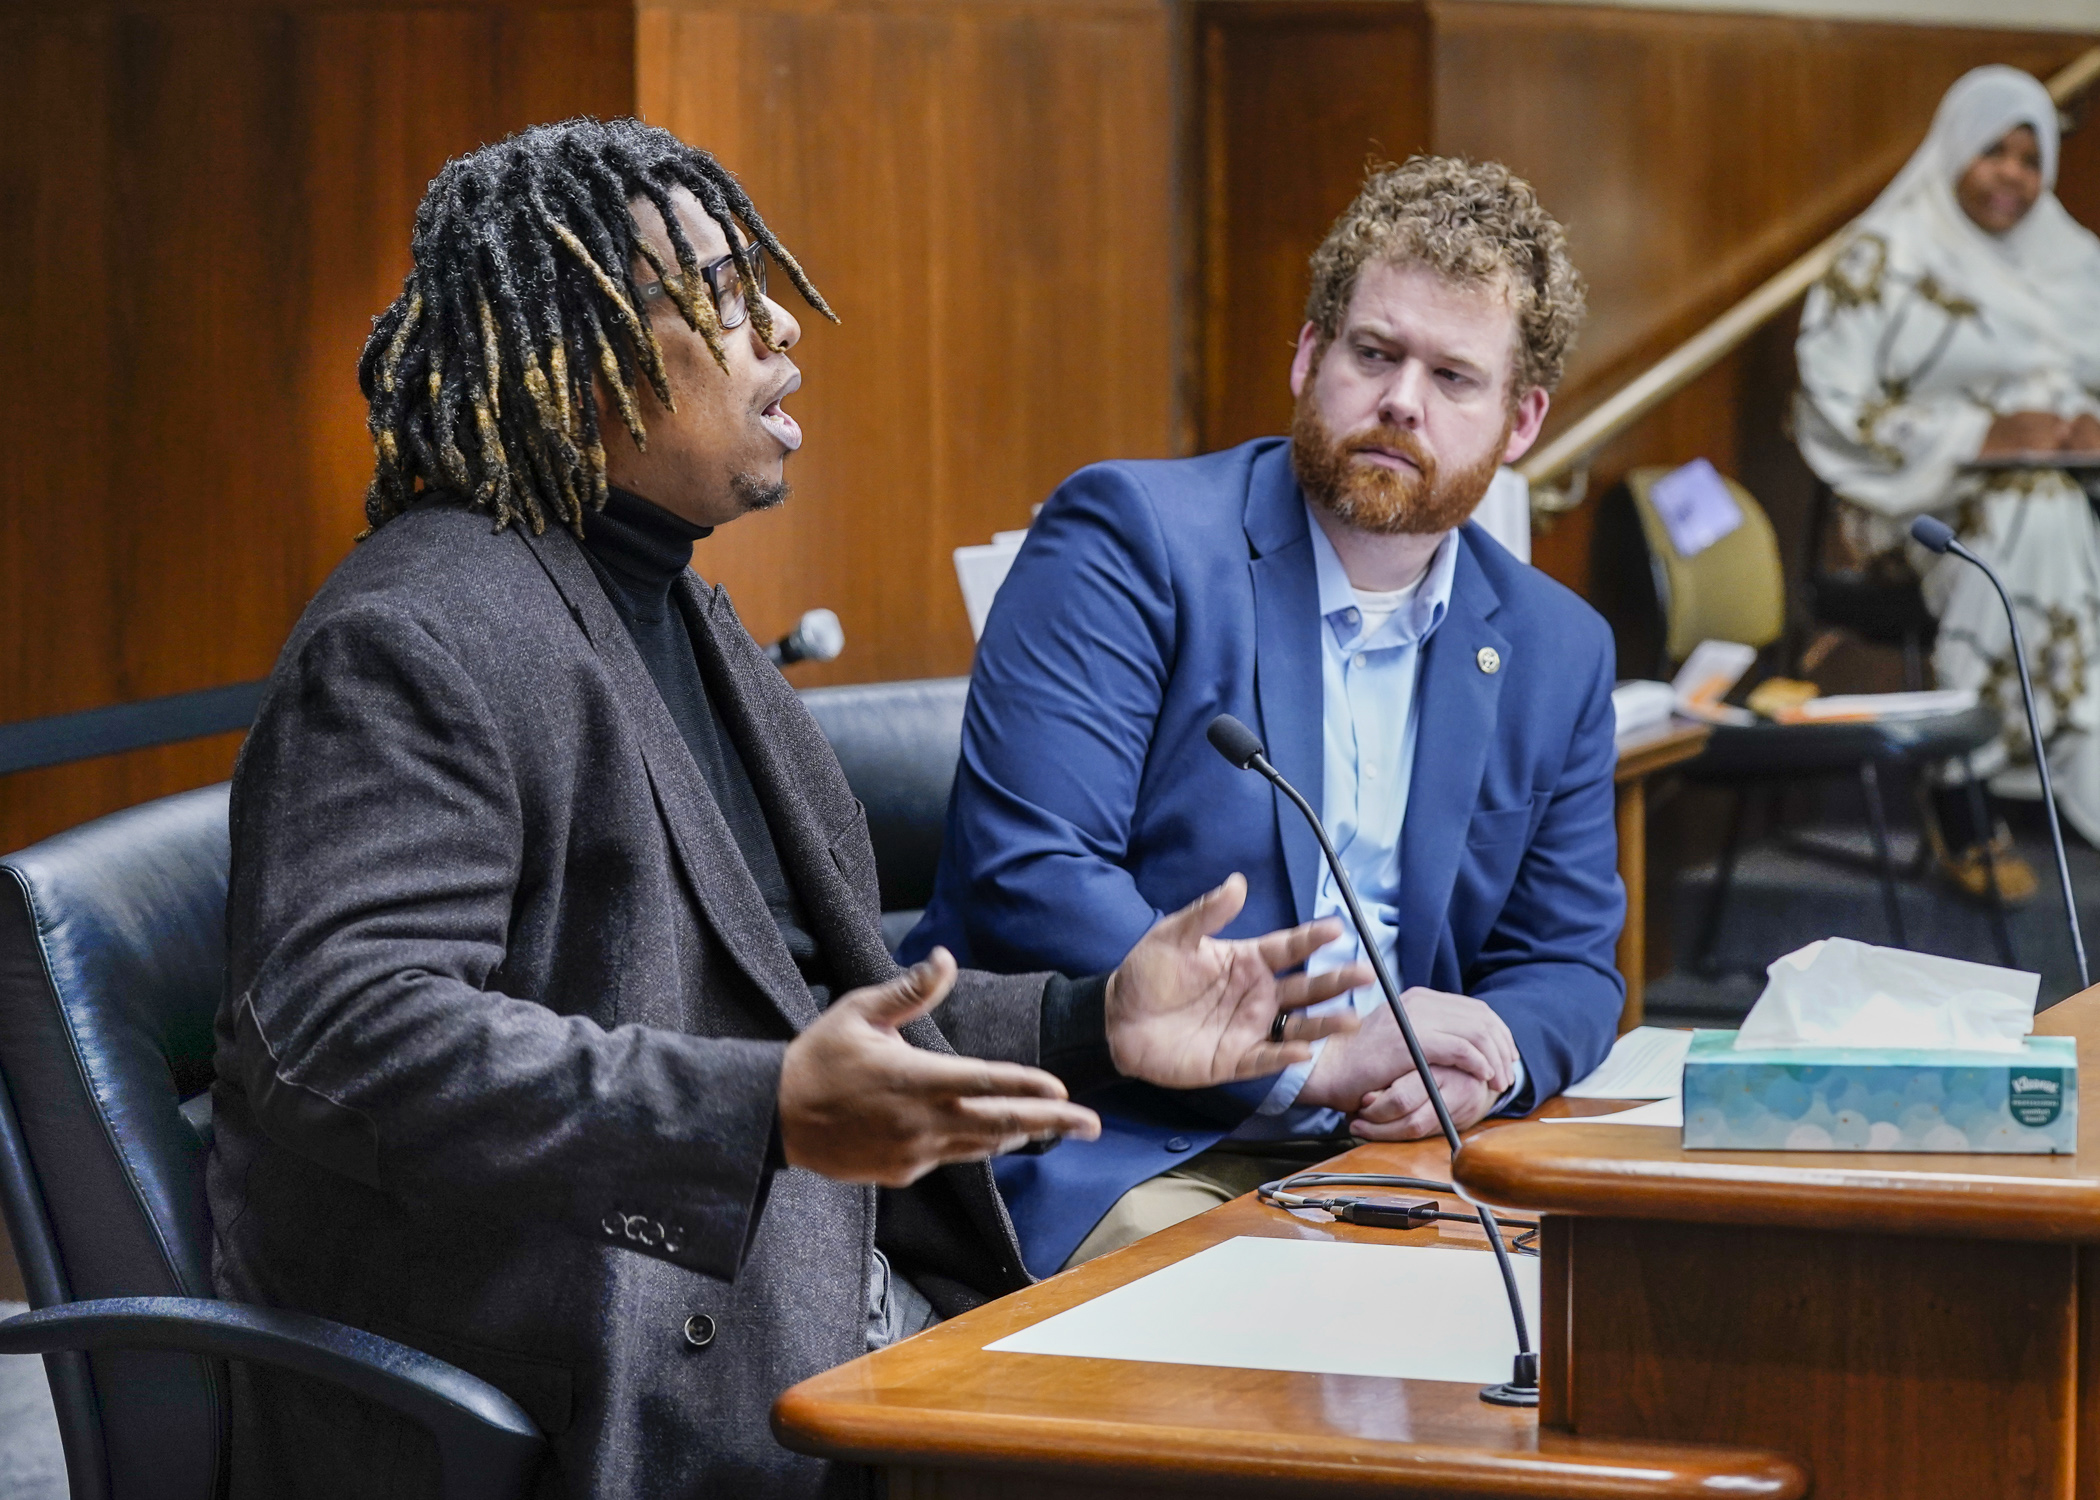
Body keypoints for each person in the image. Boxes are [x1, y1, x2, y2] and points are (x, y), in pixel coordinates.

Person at [209, 117, 1371, 1499]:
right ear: (578, 357)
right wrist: (756, 1112)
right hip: (621, 1372)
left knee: (1299, 1400)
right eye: (715, 291)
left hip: (831, 1300)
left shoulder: (677, 605)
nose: (777, 325)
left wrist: (1095, 1020)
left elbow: (798, 994)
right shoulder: (418, 632)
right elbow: (352, 1034)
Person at [902, 157, 1622, 1277]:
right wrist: (1312, 1053)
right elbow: (1029, 875)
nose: (1401, 401)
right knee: (1286, 1341)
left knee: (1617, 1322)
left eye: (1453, 377)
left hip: (1395, 1158)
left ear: (1521, 421)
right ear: (1308, 354)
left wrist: (1489, 1061)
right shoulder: (1133, 539)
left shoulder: (1556, 645)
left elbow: (1571, 964)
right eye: (1374, 353)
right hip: (1124, 1143)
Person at [1796, 65, 2100, 883]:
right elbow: (1832, 402)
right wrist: (1980, 434)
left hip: (2069, 503)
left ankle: (2015, 772)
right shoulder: (1884, 258)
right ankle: (1963, 786)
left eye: (2030, 158)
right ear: (1953, 147)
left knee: (2046, 507)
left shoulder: (2076, 264)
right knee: (2034, 512)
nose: (2013, 175)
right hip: (1905, 510)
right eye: (1992, 151)